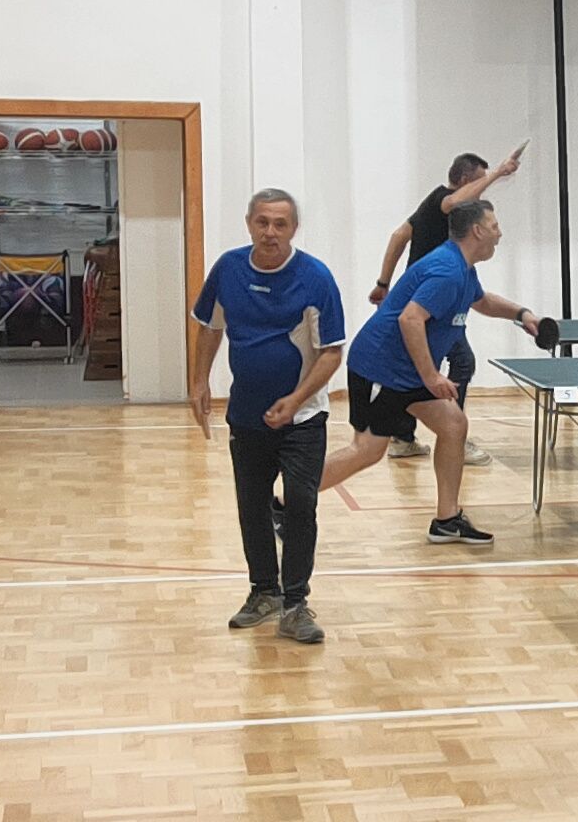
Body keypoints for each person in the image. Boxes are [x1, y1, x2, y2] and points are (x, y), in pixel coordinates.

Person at [320, 198, 551, 546]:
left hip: (408, 370)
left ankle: (447, 520)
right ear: (477, 231)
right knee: (366, 450)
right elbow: (410, 319)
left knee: (453, 424)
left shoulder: (462, 268)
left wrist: (523, 315)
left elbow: (481, 300)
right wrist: (431, 376)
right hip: (382, 368)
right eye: (495, 226)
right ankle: (285, 503)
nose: (499, 233)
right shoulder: (447, 271)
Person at [184, 189, 345, 644]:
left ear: (294, 228)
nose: (270, 232)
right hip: (246, 416)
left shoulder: (315, 278)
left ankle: (295, 604)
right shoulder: (229, 269)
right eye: (262, 222)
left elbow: (332, 353)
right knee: (252, 507)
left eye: (280, 224)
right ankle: (263, 592)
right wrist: (199, 382)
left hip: (303, 419)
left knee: (300, 505)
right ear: (249, 223)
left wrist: (295, 400)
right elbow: (210, 327)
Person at [368, 144, 521, 458]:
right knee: (461, 361)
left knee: (422, 366)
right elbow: (451, 203)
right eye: (478, 182)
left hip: (430, 300)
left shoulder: (434, 208)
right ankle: (454, 438)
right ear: (464, 180)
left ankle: (403, 437)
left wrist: (383, 284)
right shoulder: (443, 200)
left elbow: (398, 236)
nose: (480, 192)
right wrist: (497, 172)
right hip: (429, 302)